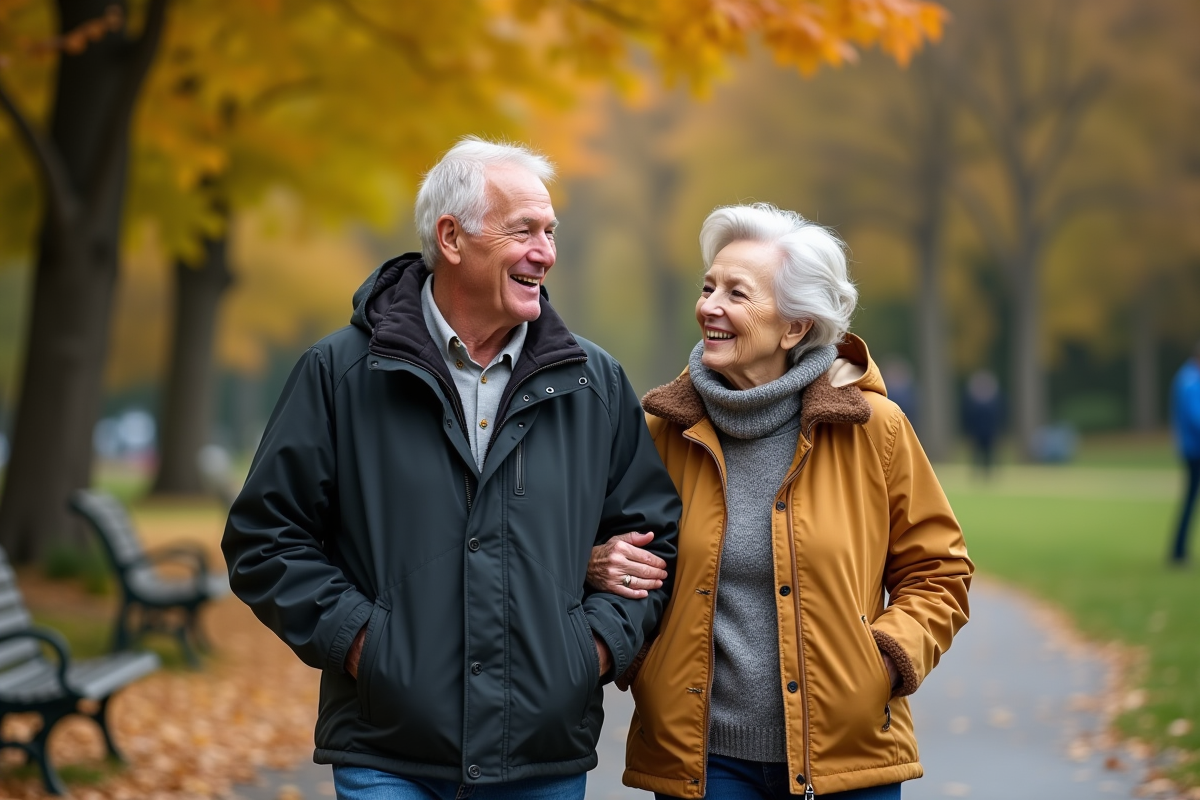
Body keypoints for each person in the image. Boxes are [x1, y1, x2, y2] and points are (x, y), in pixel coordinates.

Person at [221, 137, 681, 800]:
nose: (545, 252)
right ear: (452, 237)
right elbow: (265, 539)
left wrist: (590, 652)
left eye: (550, 232)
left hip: (541, 758)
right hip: (389, 750)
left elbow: (652, 541)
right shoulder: (341, 373)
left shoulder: (594, 382)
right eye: (523, 230)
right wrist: (364, 645)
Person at [589, 203, 972, 799]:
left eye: (736, 294)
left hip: (847, 758)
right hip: (703, 763)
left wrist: (886, 659)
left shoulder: (875, 427)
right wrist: (616, 606)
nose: (709, 306)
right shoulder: (660, 431)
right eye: (708, 286)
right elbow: (603, 551)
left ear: (794, 327)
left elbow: (939, 569)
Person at [1169, 340, 1200, 565]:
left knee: (1190, 500)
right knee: (1190, 501)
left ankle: (1178, 551)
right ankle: (1178, 552)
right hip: (1194, 450)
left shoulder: (1189, 377)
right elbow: (1195, 416)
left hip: (1192, 448)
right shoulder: (1189, 380)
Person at [961, 369, 1003, 477]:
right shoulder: (972, 400)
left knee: (989, 454)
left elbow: (998, 416)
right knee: (975, 454)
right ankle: (976, 473)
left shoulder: (994, 399)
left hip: (990, 432)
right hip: (976, 431)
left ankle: (989, 473)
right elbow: (968, 417)